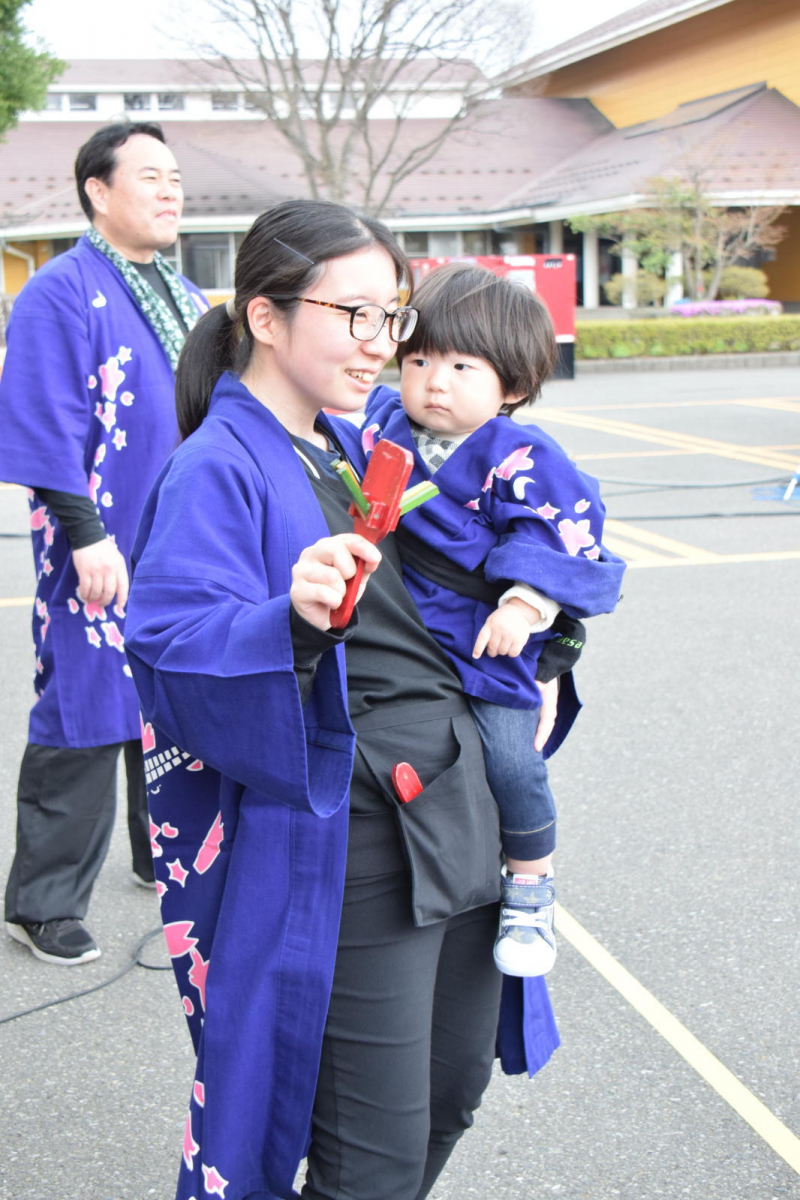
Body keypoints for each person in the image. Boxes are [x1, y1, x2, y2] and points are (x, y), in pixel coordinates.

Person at [124, 200, 561, 1200]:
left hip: (452, 807)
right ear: (264, 316)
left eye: (390, 315)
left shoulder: (334, 439)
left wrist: (541, 641)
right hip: (352, 837)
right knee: (369, 1159)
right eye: (350, 314)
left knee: (448, 1100)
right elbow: (169, 646)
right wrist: (281, 615)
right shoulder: (216, 465)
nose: (379, 345)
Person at [359, 264, 625, 978]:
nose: (432, 381)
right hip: (396, 635)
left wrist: (523, 604)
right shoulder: (380, 424)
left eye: (459, 365)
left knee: (511, 759)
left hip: (484, 647)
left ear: (509, 385)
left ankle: (531, 882)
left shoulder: (526, 459)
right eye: (418, 359)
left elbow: (560, 536)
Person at [0, 121, 207, 966]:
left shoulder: (187, 296)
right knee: (87, 707)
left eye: (176, 177)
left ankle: (158, 848)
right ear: (98, 189)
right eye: (150, 175)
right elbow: (44, 418)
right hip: (97, 535)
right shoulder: (57, 289)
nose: (170, 190)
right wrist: (83, 534)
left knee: (173, 693)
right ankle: (43, 901)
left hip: (178, 536)